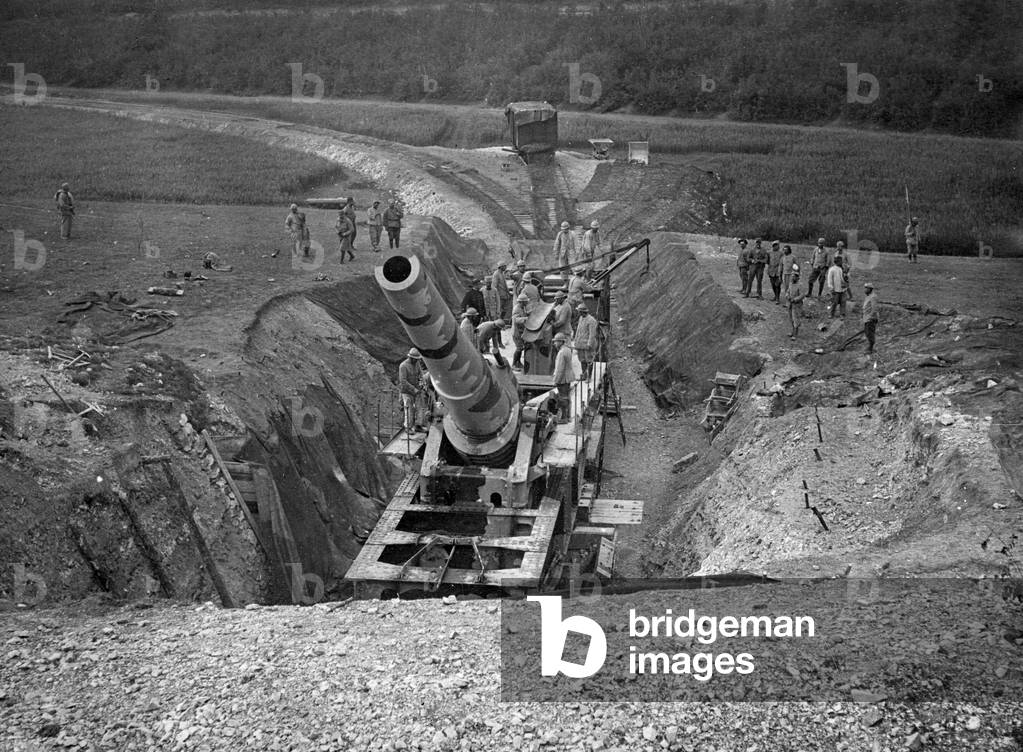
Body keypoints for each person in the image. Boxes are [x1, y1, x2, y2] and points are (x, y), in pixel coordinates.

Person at [551, 332, 576, 423]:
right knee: (567, 397)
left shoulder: (561, 352)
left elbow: (560, 369)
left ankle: (564, 418)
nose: (554, 344)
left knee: (563, 398)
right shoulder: (568, 350)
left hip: (563, 378)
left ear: (561, 342)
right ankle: (568, 417)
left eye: (556, 342)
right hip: (568, 377)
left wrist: (555, 380)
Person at [398, 348, 425, 431]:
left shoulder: (417, 364)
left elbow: (421, 374)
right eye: (416, 359)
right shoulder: (403, 366)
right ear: (411, 358)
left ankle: (418, 426)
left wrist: (422, 383)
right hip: (406, 391)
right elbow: (403, 381)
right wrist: (414, 389)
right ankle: (408, 427)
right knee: (409, 409)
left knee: (420, 407)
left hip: (417, 390)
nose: (417, 361)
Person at [574, 304, 597, 381]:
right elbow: (578, 331)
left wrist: (589, 344)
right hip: (581, 344)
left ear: (582, 312)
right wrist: (576, 341)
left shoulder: (591, 320)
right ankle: (584, 375)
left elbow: (592, 334)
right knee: (582, 360)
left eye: (579, 311)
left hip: (587, 345)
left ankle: (589, 377)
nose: (578, 313)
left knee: (589, 360)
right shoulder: (581, 318)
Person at [511, 292, 530, 370]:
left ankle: (518, 362)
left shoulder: (522, 308)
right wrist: (526, 319)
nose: (527, 302)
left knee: (521, 348)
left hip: (520, 331)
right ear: (522, 302)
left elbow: (523, 315)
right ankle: (514, 364)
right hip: (516, 332)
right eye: (526, 301)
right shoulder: (517, 309)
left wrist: (528, 314)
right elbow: (516, 320)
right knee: (519, 348)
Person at [786, 268, 805, 339]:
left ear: (797, 278)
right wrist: (787, 296)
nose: (792, 278)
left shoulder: (800, 285)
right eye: (792, 276)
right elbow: (787, 291)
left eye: (794, 276)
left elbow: (802, 295)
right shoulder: (790, 284)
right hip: (790, 304)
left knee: (795, 319)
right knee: (791, 318)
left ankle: (795, 334)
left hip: (796, 305)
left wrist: (795, 299)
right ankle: (792, 332)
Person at [862, 283, 879, 353]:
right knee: (867, 333)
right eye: (865, 288)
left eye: (866, 288)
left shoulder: (873, 297)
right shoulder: (868, 296)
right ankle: (870, 347)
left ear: (870, 289)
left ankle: (870, 349)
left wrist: (870, 317)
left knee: (870, 333)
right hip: (866, 318)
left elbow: (874, 309)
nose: (865, 290)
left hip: (870, 319)